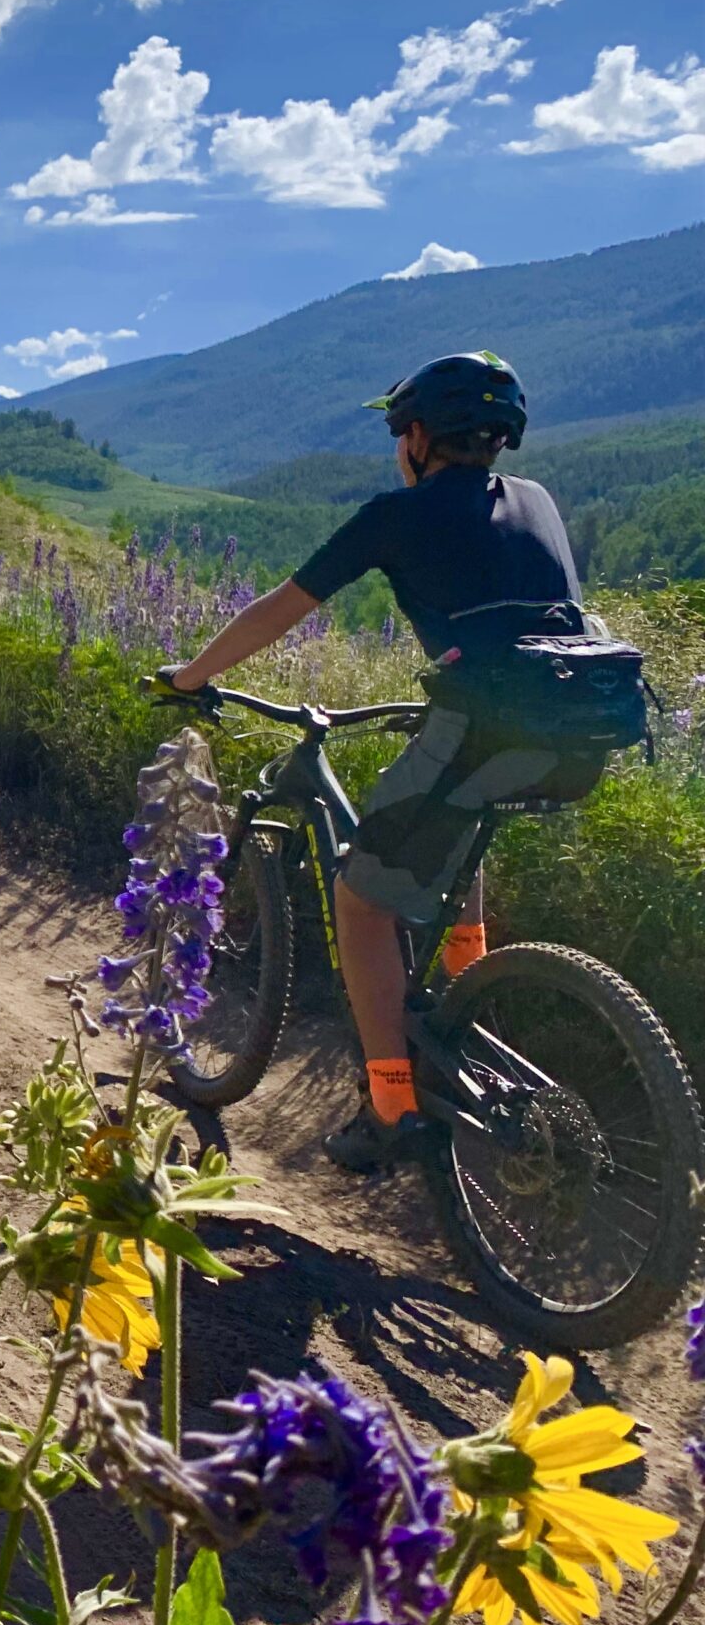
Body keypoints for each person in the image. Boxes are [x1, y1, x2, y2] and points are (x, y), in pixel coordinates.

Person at [159, 351, 598, 1173]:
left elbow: (280, 609)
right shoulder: (536, 500)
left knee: (360, 902)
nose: (400, 447)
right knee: (453, 823)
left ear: (420, 438)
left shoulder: (396, 516)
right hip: (576, 732)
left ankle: (391, 1104)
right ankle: (466, 1002)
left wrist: (191, 678)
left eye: (402, 433)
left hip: (483, 730)